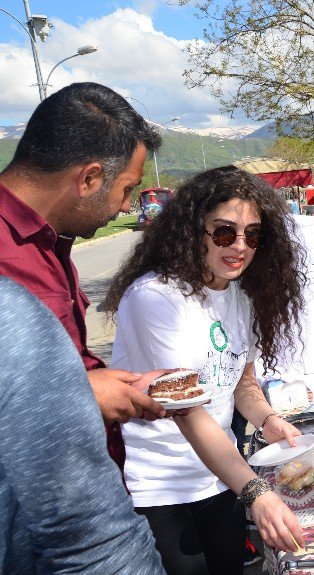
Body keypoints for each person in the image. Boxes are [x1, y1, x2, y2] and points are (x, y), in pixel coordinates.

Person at [105, 166, 307, 575]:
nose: (239, 245)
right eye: (224, 231)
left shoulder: (237, 293)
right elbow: (190, 412)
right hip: (158, 490)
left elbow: (241, 381)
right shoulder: (157, 298)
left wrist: (266, 420)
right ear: (192, 228)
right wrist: (256, 491)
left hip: (216, 480)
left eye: (253, 234)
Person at [0, 277, 195, 575]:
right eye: (224, 233)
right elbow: (89, 543)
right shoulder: (11, 312)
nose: (127, 211)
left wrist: (78, 390)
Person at [0, 82, 170, 470]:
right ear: (89, 178)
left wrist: (112, 385)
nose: (127, 206)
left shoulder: (49, 244)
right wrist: (80, 394)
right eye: (127, 189)